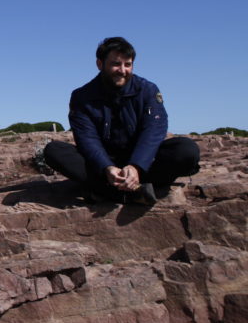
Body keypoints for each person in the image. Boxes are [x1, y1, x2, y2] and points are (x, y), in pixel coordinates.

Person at [43, 37, 200, 204]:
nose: (122, 70)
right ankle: (132, 191)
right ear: (100, 64)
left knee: (187, 150)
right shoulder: (82, 96)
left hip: (143, 161)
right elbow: (86, 138)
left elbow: (154, 130)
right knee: (53, 150)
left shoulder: (147, 90)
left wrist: (136, 166)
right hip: (104, 165)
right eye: (116, 64)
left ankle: (107, 191)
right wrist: (107, 167)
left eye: (128, 64)